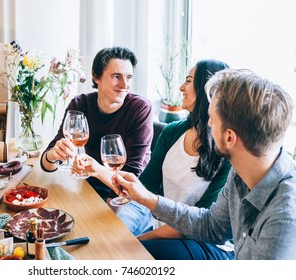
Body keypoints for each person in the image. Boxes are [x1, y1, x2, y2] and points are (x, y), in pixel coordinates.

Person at [114, 69, 296, 260]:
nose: (208, 124)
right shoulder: (241, 172)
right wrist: (147, 199)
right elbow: (212, 226)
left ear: (229, 137)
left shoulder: (284, 218)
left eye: (212, 119)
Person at [73, 59, 233, 253]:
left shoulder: (226, 148)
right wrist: (119, 227)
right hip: (160, 230)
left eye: (189, 81)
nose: (182, 87)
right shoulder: (173, 132)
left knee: (127, 252)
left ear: (209, 90)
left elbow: (204, 223)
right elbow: (144, 187)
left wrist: (137, 240)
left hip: (201, 241)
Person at [40, 46, 153, 202]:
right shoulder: (80, 104)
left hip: (134, 196)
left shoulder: (140, 108)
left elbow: (130, 180)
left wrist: (96, 170)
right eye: (116, 76)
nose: (124, 84)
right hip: (92, 186)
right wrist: (53, 155)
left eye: (128, 77)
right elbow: (47, 165)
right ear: (96, 77)